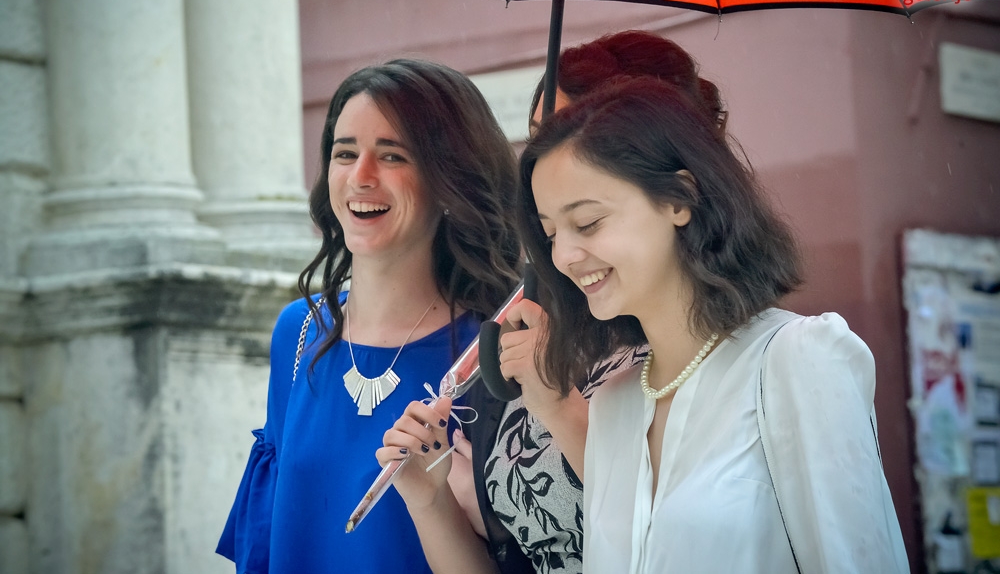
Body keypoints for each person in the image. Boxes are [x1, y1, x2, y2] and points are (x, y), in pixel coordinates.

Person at [516, 76, 910, 573]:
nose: (564, 256)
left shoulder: (797, 360)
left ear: (679, 199)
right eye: (551, 233)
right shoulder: (614, 404)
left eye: (588, 222)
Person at [377, 31, 726, 574]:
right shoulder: (547, 334)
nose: (548, 163)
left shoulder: (740, 361)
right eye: (539, 138)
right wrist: (430, 501)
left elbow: (679, 543)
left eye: (569, 131)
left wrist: (561, 410)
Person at [216, 59, 522, 574]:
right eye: (345, 153)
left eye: (392, 156)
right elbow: (268, 543)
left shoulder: (493, 351)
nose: (360, 177)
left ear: (447, 180)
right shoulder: (297, 332)